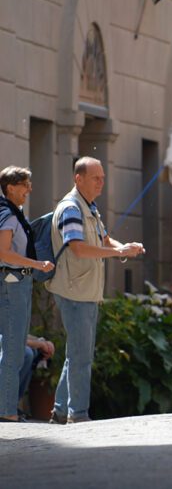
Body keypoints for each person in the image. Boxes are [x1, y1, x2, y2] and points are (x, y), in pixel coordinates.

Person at [46, 157, 144, 424]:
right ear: (79, 179)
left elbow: (103, 239)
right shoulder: (71, 208)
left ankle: (61, 411)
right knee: (81, 356)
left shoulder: (89, 206)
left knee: (77, 353)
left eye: (102, 177)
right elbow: (77, 247)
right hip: (75, 291)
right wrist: (117, 252)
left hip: (85, 291)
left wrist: (125, 247)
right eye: (96, 178)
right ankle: (77, 414)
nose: (102, 182)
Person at [0, 166, 54, 422]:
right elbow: (3, 254)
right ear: (11, 188)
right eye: (25, 185)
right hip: (12, 282)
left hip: (18, 283)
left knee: (18, 346)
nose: (30, 189)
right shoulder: (7, 216)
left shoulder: (13, 213)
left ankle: (8, 408)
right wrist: (36, 264)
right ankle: (6, 410)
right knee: (13, 348)